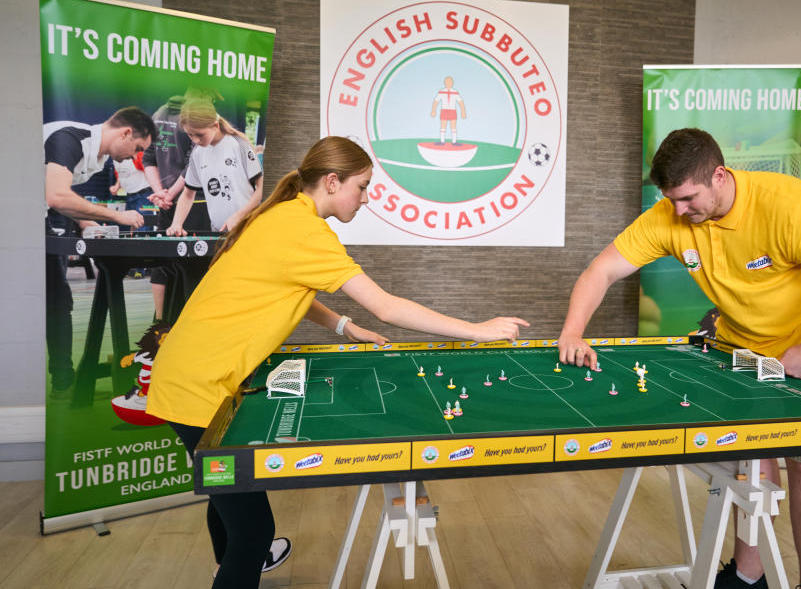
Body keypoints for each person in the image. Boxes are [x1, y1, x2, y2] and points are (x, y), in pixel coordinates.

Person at [146, 136, 528, 588]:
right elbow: (386, 307)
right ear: (332, 181)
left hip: (187, 374)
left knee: (228, 490)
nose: (365, 199)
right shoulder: (306, 230)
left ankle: (226, 565)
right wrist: (477, 329)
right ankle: (235, 568)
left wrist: (344, 327)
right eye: (362, 187)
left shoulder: (281, 216)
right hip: (199, 386)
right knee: (254, 530)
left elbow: (285, 285)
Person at [557, 128, 801, 589]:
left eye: (688, 198)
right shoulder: (671, 215)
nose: (678, 211)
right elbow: (603, 269)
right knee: (750, 460)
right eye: (670, 199)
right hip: (740, 350)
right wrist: (573, 331)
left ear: (719, 175)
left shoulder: (788, 206)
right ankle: (748, 574)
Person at [44, 107, 157, 397]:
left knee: (57, 298)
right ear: (126, 133)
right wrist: (114, 216)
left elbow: (60, 195)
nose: (134, 158)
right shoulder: (68, 138)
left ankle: (63, 381)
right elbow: (56, 194)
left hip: (40, 215)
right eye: (137, 149)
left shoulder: (98, 157)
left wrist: (86, 221)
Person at [142, 92, 213, 318]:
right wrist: (171, 195)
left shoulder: (158, 114)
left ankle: (159, 326)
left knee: (162, 264)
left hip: (166, 202)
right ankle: (188, 325)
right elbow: (193, 166)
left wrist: (160, 193)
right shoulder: (194, 120)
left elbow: (148, 158)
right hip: (193, 204)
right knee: (196, 266)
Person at [166, 99, 263, 236]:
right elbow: (188, 194)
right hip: (218, 234)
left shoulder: (239, 145)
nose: (195, 140)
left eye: (200, 135)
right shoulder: (197, 154)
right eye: (190, 135)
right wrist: (176, 223)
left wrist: (240, 215)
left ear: (216, 126)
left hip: (248, 228)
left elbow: (263, 188)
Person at [430, 76, 466, 145]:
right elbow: (436, 101)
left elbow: (460, 102)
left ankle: (454, 142)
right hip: (444, 111)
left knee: (453, 127)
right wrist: (433, 110)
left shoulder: (455, 92)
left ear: (452, 83)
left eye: (450, 82)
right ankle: (442, 141)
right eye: (447, 82)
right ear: (445, 83)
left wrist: (463, 112)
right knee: (443, 126)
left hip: (452, 111)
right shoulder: (442, 92)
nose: (448, 83)